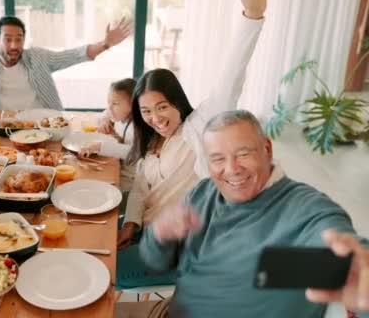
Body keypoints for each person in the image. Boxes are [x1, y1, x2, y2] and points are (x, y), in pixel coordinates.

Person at [117, 110, 369, 318]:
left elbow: (336, 246)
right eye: (217, 159)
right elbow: (157, 260)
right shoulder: (204, 193)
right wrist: (161, 237)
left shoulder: (306, 209)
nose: (231, 169)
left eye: (243, 154)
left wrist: (350, 267)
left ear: (267, 149)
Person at [113, 0, 266, 292]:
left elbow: (229, 81)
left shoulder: (198, 129)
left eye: (162, 107)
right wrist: (130, 225)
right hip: (150, 231)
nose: (155, 118)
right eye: (146, 111)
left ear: (177, 103)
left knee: (107, 272)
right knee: (94, 237)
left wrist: (253, 16)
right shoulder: (151, 142)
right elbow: (142, 190)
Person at [0, 16, 132, 110]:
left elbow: (74, 55)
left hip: (44, 126)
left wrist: (106, 43)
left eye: (19, 39)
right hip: (3, 130)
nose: (14, 45)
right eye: (8, 39)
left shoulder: (37, 58)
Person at [80, 78, 136, 191]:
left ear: (132, 105)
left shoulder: (137, 127)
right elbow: (105, 113)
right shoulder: (120, 116)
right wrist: (104, 120)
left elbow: (132, 153)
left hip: (130, 178)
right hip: (117, 165)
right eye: (108, 102)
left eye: (115, 104)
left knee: (92, 184)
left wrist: (100, 147)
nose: (109, 107)